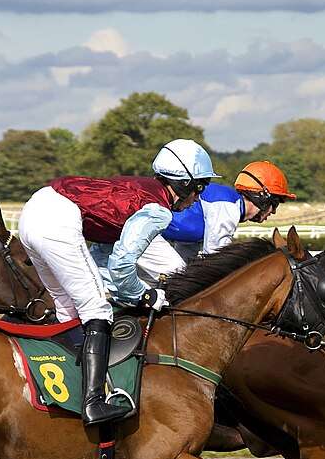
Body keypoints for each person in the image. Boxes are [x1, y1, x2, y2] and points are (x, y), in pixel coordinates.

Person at [17, 139, 216, 425]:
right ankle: (93, 403)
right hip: (56, 219)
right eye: (200, 187)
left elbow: (105, 252)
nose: (198, 197)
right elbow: (122, 265)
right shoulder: (158, 210)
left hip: (34, 209)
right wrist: (144, 295)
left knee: (68, 309)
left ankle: (65, 388)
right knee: (97, 309)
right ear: (184, 184)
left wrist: (120, 288)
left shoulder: (140, 188)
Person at [120, 159, 296, 282]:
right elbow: (216, 259)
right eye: (275, 204)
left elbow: (193, 259)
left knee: (177, 279)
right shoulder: (228, 207)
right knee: (178, 278)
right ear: (263, 197)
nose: (273, 211)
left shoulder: (229, 204)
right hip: (135, 226)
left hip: (140, 228)